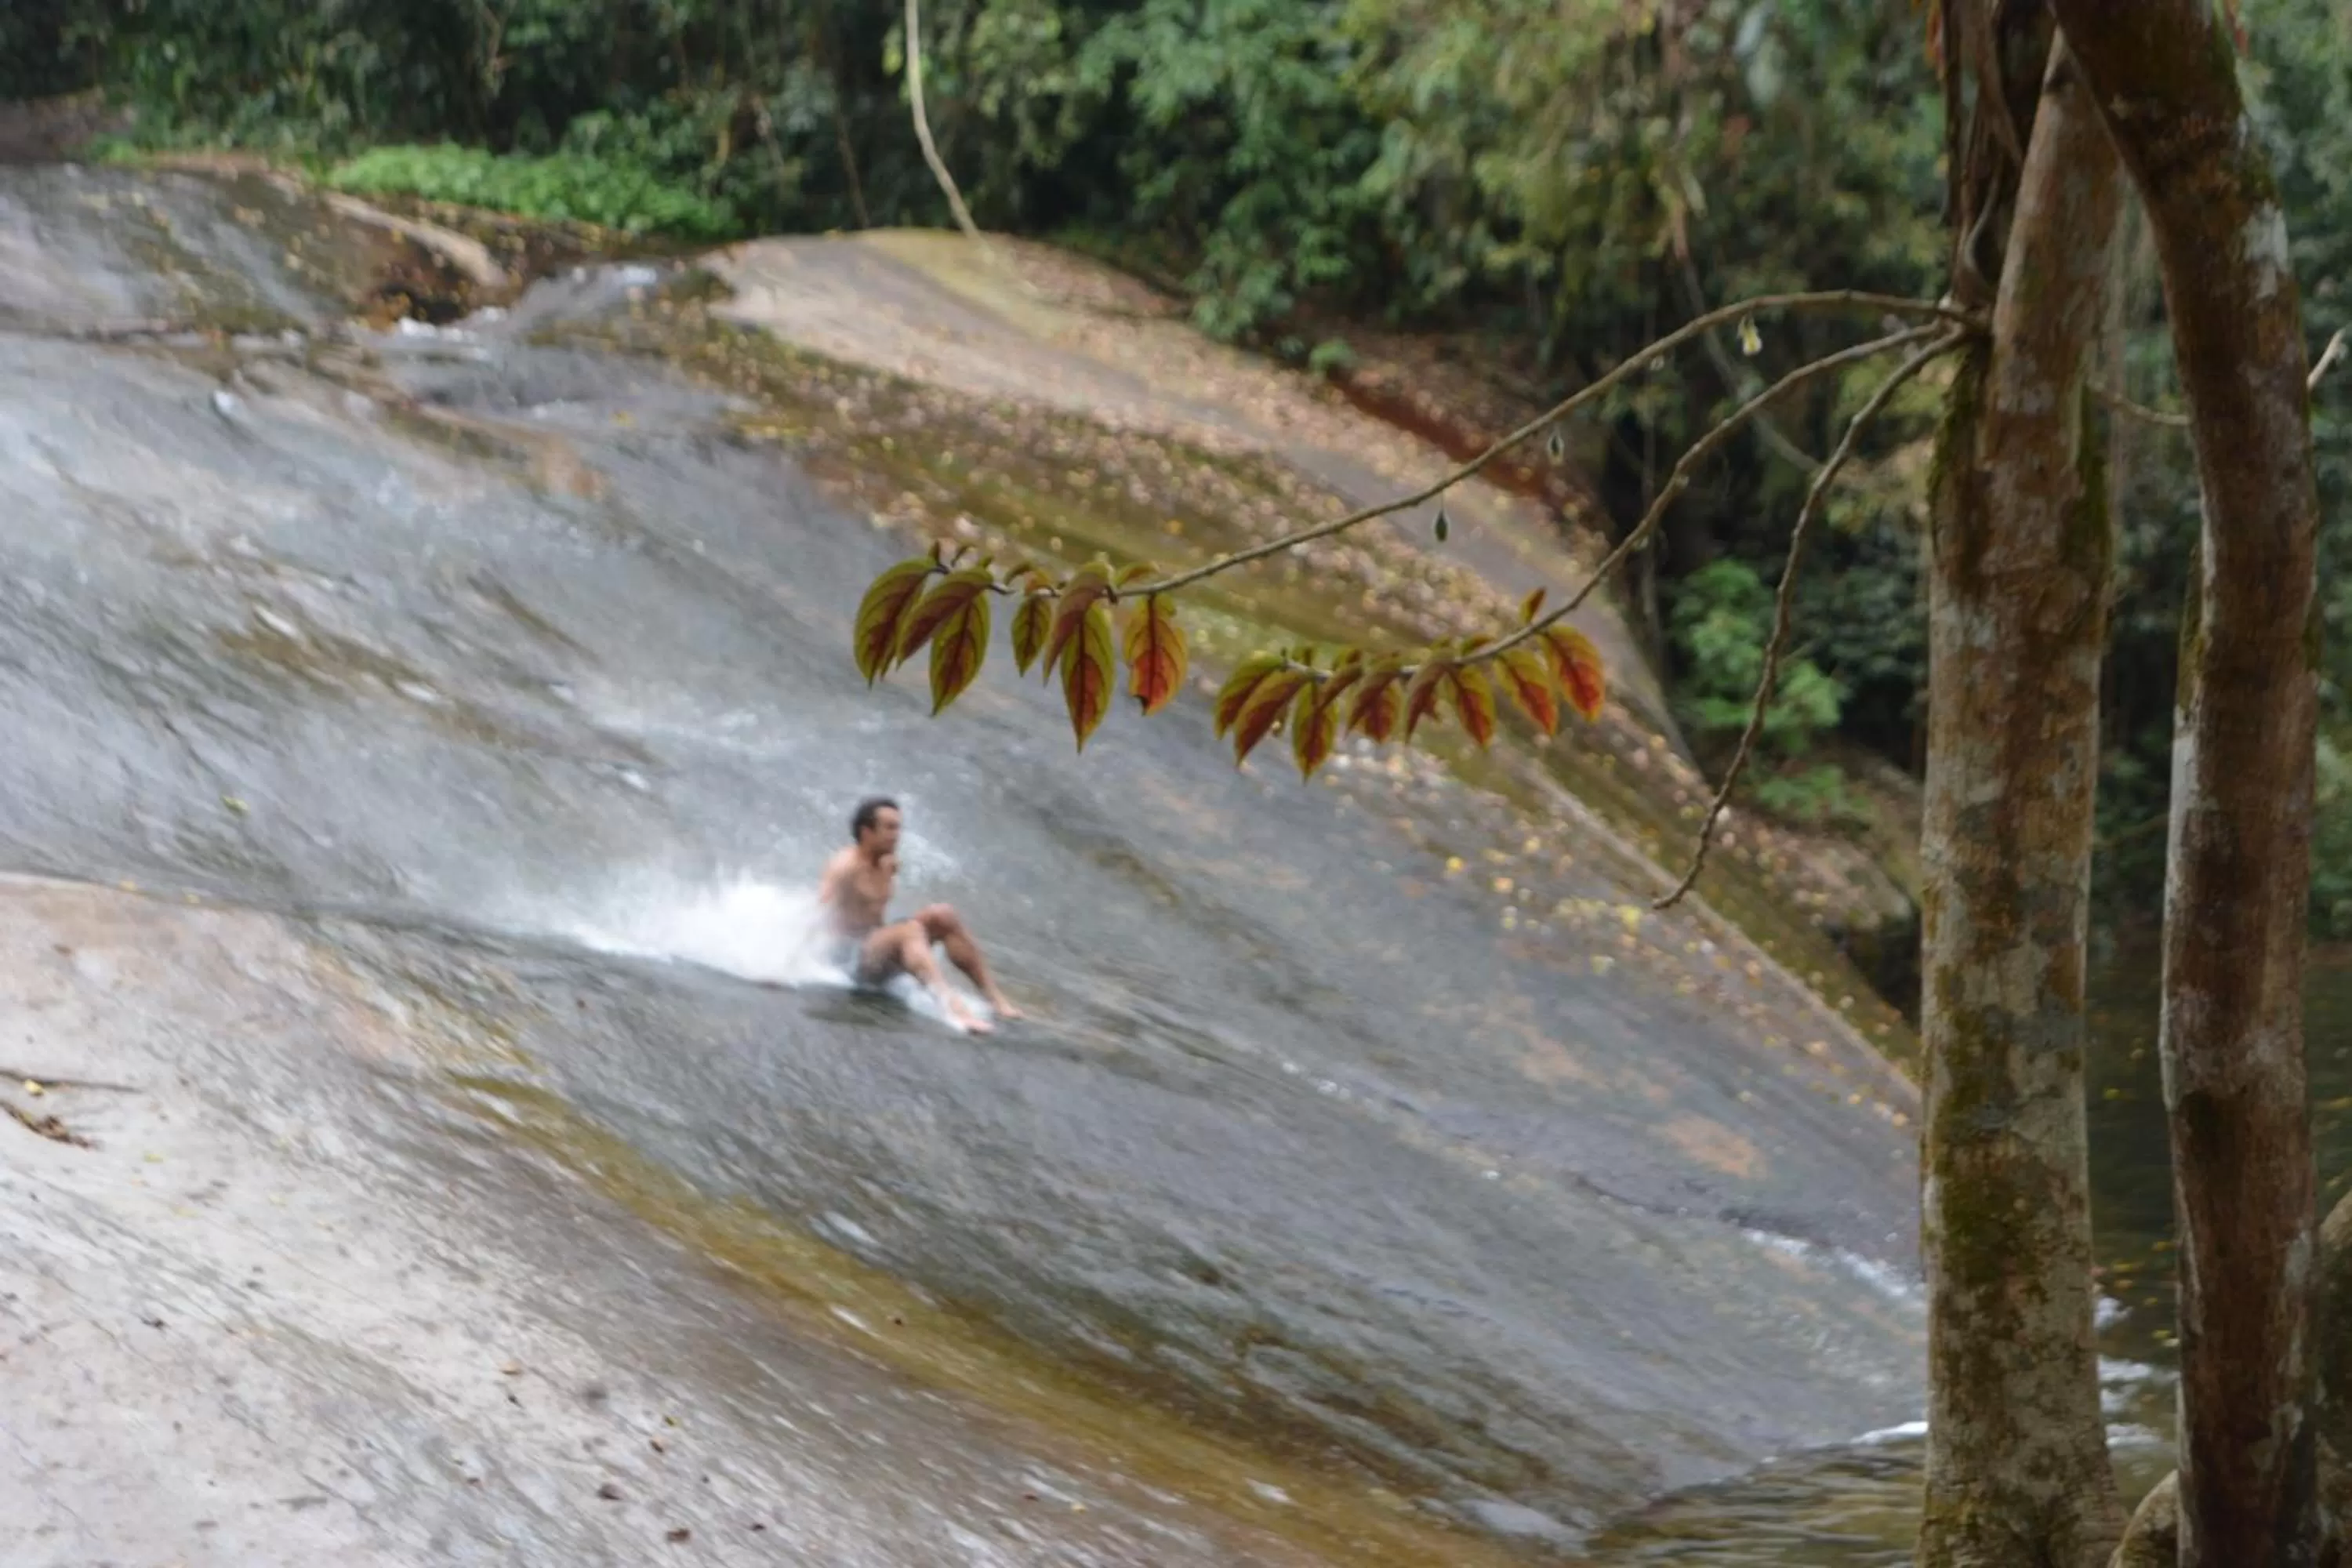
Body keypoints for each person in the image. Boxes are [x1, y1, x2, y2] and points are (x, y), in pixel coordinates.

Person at [816, 797, 1021, 1032]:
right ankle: (953, 1008)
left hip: (877, 945)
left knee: (943, 915)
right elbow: (817, 914)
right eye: (889, 827)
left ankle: (995, 999)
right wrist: (790, 964)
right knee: (909, 931)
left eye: (899, 827)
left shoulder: (888, 862)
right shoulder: (844, 867)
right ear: (866, 831)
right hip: (849, 958)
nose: (897, 835)